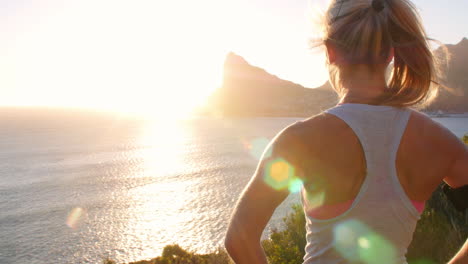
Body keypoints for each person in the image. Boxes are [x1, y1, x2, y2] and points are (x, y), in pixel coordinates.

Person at [224, 0, 468, 263]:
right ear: (390, 53)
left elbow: (239, 238)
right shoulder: (439, 142)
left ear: (330, 51)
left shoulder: (299, 141)